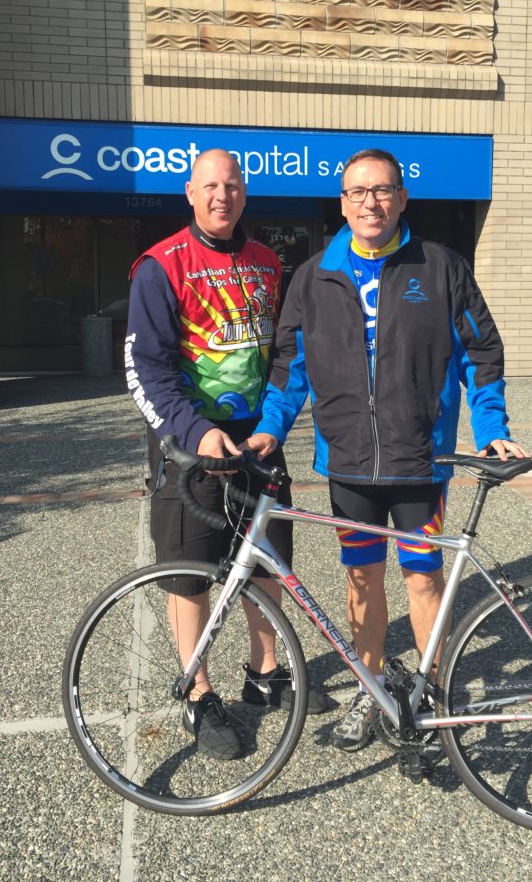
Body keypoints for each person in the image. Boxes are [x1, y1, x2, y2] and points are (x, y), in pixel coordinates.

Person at [246, 148, 528, 752]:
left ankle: (432, 697)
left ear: (402, 198)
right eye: (356, 192)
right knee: (361, 579)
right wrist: (271, 426)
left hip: (420, 461)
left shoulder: (442, 266)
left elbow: (482, 352)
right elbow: (288, 367)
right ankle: (370, 692)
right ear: (342, 203)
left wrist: (490, 425)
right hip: (347, 464)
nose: (369, 202)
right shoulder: (313, 275)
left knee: (423, 582)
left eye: (381, 191)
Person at [125, 148, 332, 761]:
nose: (222, 195)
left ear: (245, 193)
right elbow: (145, 369)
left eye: (232, 185)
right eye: (210, 185)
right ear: (190, 192)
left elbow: (283, 355)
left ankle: (265, 674)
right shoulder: (160, 266)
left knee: (264, 563)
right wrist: (193, 432)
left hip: (257, 443)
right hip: (191, 448)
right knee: (191, 574)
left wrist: (272, 423)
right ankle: (198, 693)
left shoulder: (268, 263)